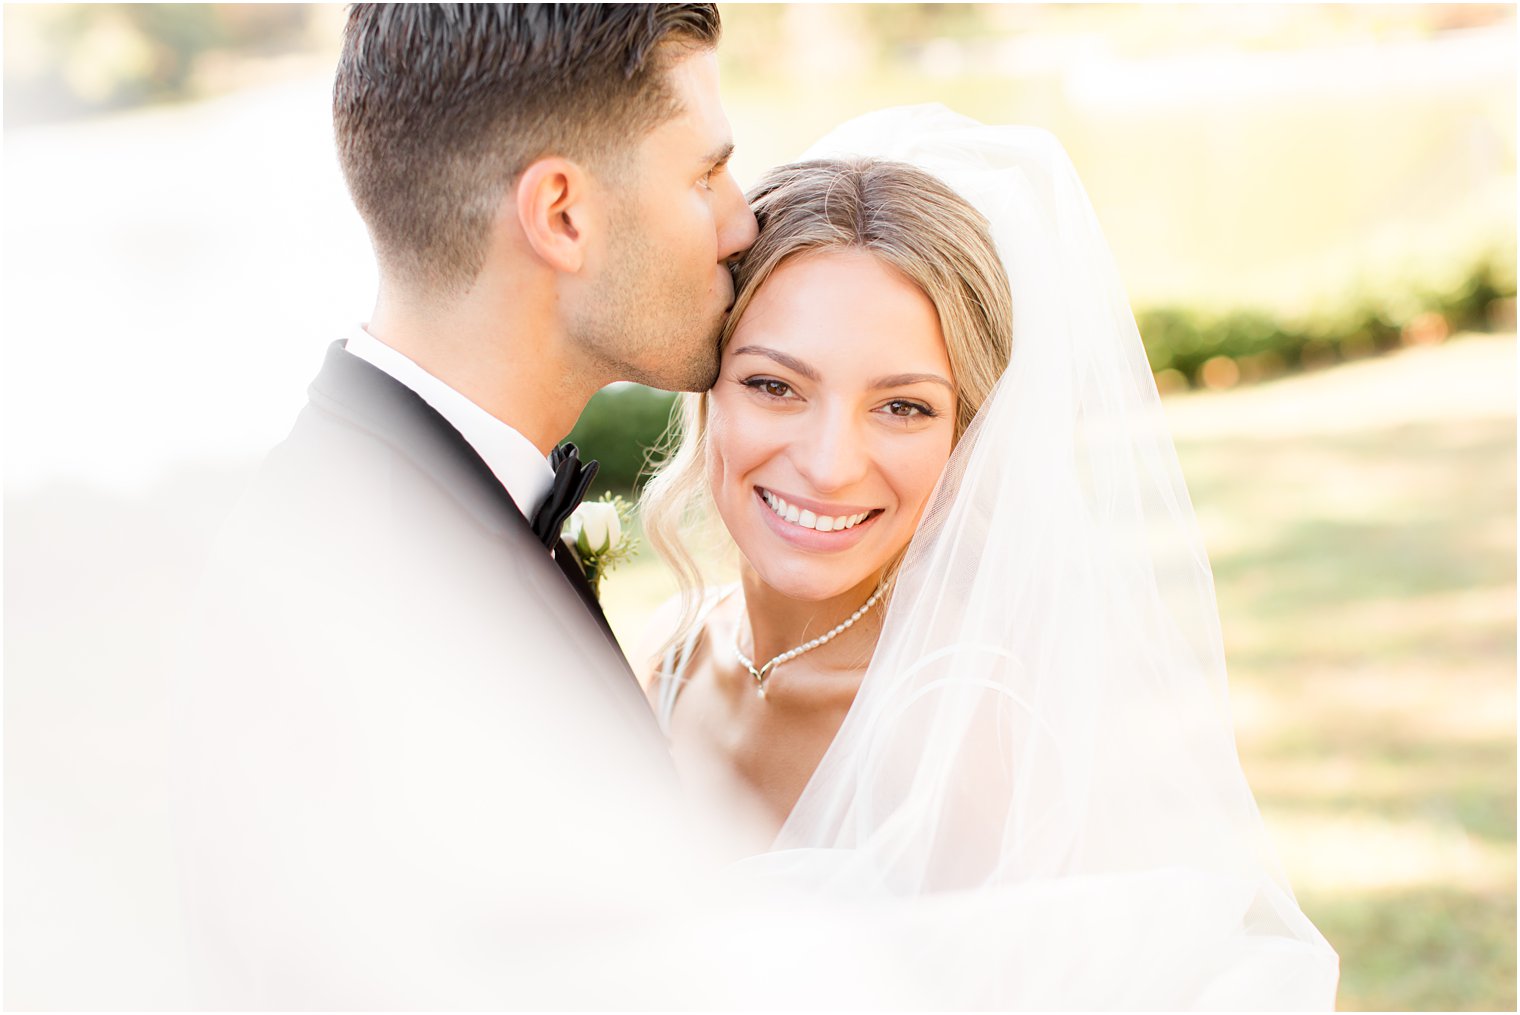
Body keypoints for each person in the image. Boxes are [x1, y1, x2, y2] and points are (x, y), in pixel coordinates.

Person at [639, 105, 1341, 1008]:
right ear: (710, 388)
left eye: (904, 407)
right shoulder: (668, 657)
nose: (827, 462)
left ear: (970, 436)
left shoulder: (976, 732)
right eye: (775, 385)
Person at [172, 5, 757, 1006]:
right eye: (703, 176)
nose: (740, 219)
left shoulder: (400, 505)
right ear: (562, 215)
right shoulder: (378, 603)